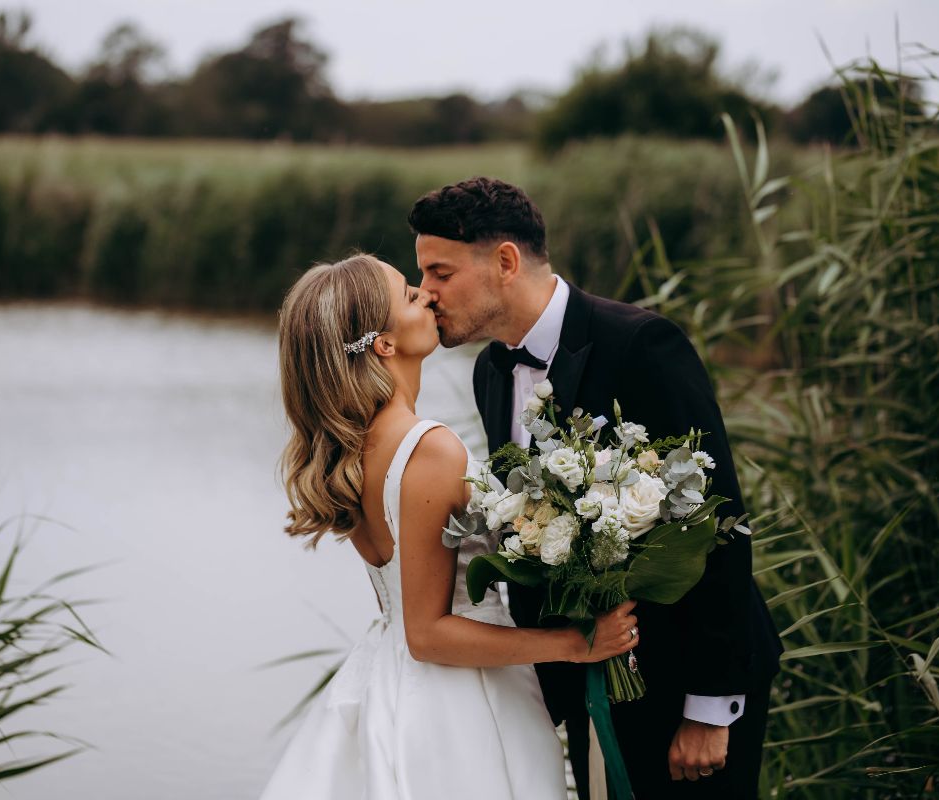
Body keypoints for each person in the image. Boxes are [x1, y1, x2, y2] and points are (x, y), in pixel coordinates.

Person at [410, 176, 784, 798]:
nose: (426, 294)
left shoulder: (642, 345)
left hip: (680, 679)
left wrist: (710, 707)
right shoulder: (492, 372)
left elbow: (720, 522)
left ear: (505, 261)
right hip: (585, 677)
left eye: (439, 273)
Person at [259, 253, 639, 799]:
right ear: (384, 344)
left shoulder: (355, 448)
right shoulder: (426, 449)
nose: (428, 295)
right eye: (410, 295)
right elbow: (428, 633)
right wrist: (577, 643)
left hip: (389, 681)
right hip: (458, 703)